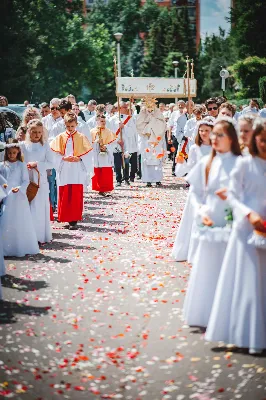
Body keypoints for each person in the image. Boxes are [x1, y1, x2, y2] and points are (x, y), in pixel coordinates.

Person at [205, 118, 266, 354]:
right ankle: (246, 335)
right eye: (260, 140)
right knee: (248, 281)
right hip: (245, 228)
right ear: (254, 140)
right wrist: (249, 215)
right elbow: (233, 195)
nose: (263, 144)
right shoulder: (244, 164)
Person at [183, 117, 241, 328]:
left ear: (232, 139)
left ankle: (228, 316)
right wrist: (200, 212)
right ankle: (204, 314)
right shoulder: (207, 163)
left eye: (220, 134)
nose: (214, 138)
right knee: (208, 268)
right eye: (213, 134)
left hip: (233, 222)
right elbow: (197, 193)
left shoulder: (240, 163)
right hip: (210, 220)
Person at [172, 117, 213, 262]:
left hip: (211, 187)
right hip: (197, 187)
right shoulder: (195, 148)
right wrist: (181, 164)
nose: (203, 133)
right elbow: (190, 167)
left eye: (206, 131)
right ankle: (191, 249)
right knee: (194, 217)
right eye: (201, 130)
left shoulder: (217, 148)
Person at [50, 112, 93, 230]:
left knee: (75, 193)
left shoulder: (82, 137)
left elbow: (89, 154)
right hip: (64, 168)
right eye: (68, 127)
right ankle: (65, 216)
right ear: (65, 125)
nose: (70, 129)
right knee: (64, 192)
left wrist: (79, 158)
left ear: (76, 125)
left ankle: (74, 220)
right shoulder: (60, 137)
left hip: (77, 169)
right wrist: (63, 158)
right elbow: (53, 153)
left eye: (72, 126)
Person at [0, 140, 39, 257]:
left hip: (19, 196)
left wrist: (19, 188)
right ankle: (7, 247)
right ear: (6, 153)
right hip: (7, 195)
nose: (12, 155)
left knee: (20, 219)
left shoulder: (22, 165)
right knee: (6, 218)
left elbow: (26, 180)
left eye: (14, 153)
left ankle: (21, 245)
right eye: (10, 153)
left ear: (18, 153)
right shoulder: (2, 165)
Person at [21, 120, 53, 243]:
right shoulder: (23, 145)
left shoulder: (45, 145)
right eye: (34, 132)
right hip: (26, 178)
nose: (37, 135)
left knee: (39, 207)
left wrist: (37, 164)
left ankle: (40, 235)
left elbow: (51, 163)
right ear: (29, 131)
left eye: (39, 132)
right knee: (27, 207)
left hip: (40, 180)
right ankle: (28, 237)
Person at [136, 99, 166, 187]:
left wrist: (153, 121)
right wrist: (147, 124)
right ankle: (148, 179)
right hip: (147, 138)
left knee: (157, 158)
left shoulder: (158, 112)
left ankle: (157, 179)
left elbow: (162, 124)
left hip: (156, 139)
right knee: (147, 159)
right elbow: (139, 124)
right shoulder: (142, 113)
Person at [109, 101, 139, 185]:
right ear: (119, 108)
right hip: (116, 143)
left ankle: (126, 178)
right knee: (117, 163)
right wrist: (117, 141)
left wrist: (124, 127)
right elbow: (110, 132)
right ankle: (118, 180)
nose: (127, 109)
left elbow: (133, 131)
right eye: (124, 107)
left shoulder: (130, 118)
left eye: (126, 107)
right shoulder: (112, 119)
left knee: (126, 162)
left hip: (127, 143)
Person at [42, 98, 62, 211]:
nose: (54, 110)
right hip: (48, 154)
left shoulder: (63, 121)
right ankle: (51, 204)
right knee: (50, 180)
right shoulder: (44, 120)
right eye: (52, 108)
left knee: (57, 181)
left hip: (59, 155)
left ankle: (58, 203)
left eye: (56, 108)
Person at [91, 115, 116, 196]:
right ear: (97, 121)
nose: (103, 123)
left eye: (104, 121)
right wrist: (96, 142)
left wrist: (106, 147)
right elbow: (88, 144)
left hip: (105, 155)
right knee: (98, 171)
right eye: (101, 121)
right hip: (96, 154)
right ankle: (99, 188)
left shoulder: (109, 132)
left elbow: (113, 143)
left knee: (105, 172)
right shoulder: (92, 131)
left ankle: (105, 188)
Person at [167, 100, 188, 176]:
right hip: (175, 135)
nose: (180, 106)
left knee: (184, 152)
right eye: (179, 105)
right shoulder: (174, 114)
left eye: (182, 105)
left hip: (184, 136)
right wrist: (169, 136)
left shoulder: (187, 114)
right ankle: (174, 169)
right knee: (175, 153)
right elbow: (170, 125)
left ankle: (185, 170)